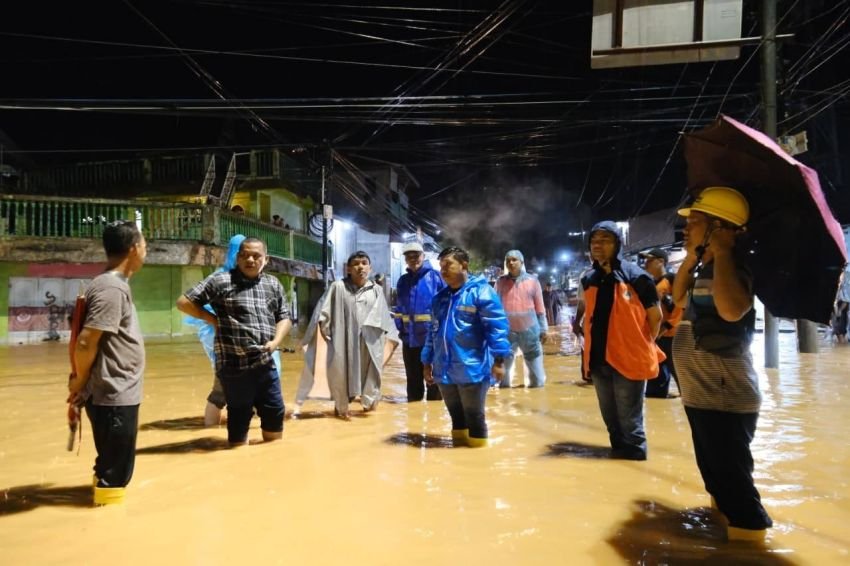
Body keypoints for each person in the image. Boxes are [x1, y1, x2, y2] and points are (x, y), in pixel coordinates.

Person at [671, 186, 773, 542]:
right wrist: (691, 255)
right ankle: (726, 538)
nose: (686, 227)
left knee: (736, 489)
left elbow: (732, 310)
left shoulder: (734, 267)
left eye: (696, 222)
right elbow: (677, 297)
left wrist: (725, 251)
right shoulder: (705, 267)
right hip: (703, 395)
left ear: (720, 228)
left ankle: (750, 550)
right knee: (717, 479)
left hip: (724, 396)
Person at [176, 237, 292, 446]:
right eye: (244, 255)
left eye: (256, 256)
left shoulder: (272, 284)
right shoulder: (221, 281)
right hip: (234, 367)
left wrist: (276, 341)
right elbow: (184, 302)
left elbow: (284, 316)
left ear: (266, 259)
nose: (250, 259)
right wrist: (212, 319)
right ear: (237, 257)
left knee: (274, 422)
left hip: (266, 366)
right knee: (239, 429)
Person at [68, 220, 147, 506]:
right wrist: (78, 380)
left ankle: (101, 506)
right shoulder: (111, 288)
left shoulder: (112, 285)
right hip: (113, 393)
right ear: (134, 248)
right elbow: (87, 341)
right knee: (116, 472)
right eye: (144, 244)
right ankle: (107, 524)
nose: (145, 250)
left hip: (114, 391)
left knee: (109, 464)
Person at [580, 221, 662, 460]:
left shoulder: (637, 277)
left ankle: (636, 464)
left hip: (629, 359)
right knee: (611, 421)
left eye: (605, 240)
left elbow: (655, 318)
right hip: (598, 360)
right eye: (594, 241)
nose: (598, 245)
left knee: (631, 423)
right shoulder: (589, 279)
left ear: (618, 244)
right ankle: (618, 466)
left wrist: (641, 344)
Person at [422, 246, 512, 448]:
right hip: (444, 370)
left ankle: (479, 464)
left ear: (464, 265)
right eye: (441, 266)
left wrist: (499, 361)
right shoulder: (440, 299)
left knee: (475, 417)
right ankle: (460, 463)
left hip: (473, 369)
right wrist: (426, 361)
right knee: (456, 417)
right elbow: (432, 332)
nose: (443, 271)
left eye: (448, 265)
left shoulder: (481, 292)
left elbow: (496, 328)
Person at [296, 251, 400, 419]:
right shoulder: (338, 287)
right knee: (341, 374)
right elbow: (322, 314)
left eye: (364, 263)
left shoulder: (376, 290)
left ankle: (370, 418)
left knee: (371, 376)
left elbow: (384, 321)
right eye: (356, 264)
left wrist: (388, 344)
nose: (360, 267)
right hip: (344, 342)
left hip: (370, 342)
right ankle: (341, 409)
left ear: (370, 268)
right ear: (348, 269)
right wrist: (320, 339)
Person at [395, 241, 445, 402]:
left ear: (423, 256)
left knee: (434, 380)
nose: (412, 259)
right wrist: (400, 328)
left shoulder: (436, 277)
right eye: (409, 256)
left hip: (431, 339)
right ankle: (414, 414)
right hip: (408, 339)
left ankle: (434, 418)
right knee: (413, 380)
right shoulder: (403, 280)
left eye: (416, 255)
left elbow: (445, 304)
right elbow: (399, 308)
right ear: (405, 259)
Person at [495, 249, 548, 388]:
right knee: (502, 379)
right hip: (506, 333)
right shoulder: (500, 283)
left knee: (536, 379)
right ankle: (504, 406)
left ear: (522, 262)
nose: (511, 263)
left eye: (514, 260)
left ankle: (536, 402)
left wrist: (543, 329)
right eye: (508, 260)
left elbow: (540, 308)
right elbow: (494, 308)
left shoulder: (533, 281)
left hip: (529, 331)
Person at [640, 248, 683, 398]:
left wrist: (668, 325)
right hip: (655, 335)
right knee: (656, 376)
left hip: (673, 335)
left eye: (650, 260)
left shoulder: (672, 279)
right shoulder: (648, 282)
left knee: (680, 374)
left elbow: (682, 306)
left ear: (661, 262)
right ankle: (657, 400)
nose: (646, 263)